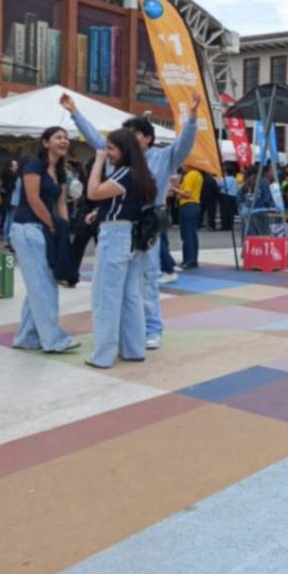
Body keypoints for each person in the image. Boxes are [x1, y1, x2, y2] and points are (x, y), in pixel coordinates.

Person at [64, 91, 198, 351]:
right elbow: (96, 140)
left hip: (146, 225)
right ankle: (129, 331)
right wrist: (75, 113)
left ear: (148, 138)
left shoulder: (164, 157)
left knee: (147, 279)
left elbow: (185, 143)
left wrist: (192, 117)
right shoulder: (120, 159)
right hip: (120, 225)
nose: (129, 140)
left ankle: (153, 329)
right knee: (123, 283)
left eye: (134, 135)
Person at [84, 129, 157, 369]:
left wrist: (98, 162)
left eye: (111, 148)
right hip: (131, 236)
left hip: (115, 235)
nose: (108, 153)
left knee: (106, 296)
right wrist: (100, 212)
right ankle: (134, 349)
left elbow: (93, 192)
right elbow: (125, 203)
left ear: (124, 150)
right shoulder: (141, 173)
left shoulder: (125, 173)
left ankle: (102, 355)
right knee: (130, 296)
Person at [10, 127, 79, 353]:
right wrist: (52, 224)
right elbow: (32, 198)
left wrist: (63, 228)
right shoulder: (34, 164)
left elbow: (61, 202)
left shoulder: (60, 171)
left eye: (66, 138)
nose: (64, 141)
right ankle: (53, 340)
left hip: (45, 230)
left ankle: (26, 337)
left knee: (39, 285)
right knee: (43, 287)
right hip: (27, 229)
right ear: (46, 142)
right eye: (58, 137)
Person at [175, 165, 203, 269]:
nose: (182, 167)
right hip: (195, 205)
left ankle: (188, 259)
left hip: (187, 205)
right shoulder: (198, 175)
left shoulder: (190, 175)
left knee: (186, 234)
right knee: (192, 233)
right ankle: (193, 259)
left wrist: (175, 189)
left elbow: (186, 193)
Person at [218, 164, 238, 231]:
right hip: (233, 196)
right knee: (231, 212)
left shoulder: (223, 179)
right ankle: (230, 225)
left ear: (226, 172)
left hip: (225, 196)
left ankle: (225, 226)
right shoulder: (234, 179)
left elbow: (219, 186)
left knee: (224, 212)